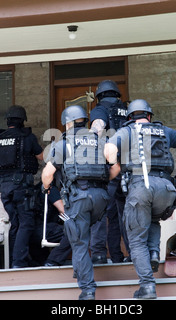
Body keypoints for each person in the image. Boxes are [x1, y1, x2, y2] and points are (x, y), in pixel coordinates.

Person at [104, 99, 176, 299]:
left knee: (136, 241)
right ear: (149, 116)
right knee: (153, 219)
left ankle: (147, 286)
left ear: (130, 117)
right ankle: (154, 253)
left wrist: (115, 165)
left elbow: (110, 150)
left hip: (141, 187)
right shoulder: (162, 130)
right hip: (166, 188)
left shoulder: (126, 131)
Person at [41, 105, 110, 300]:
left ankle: (87, 289)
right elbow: (115, 168)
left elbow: (47, 174)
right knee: (85, 231)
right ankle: (82, 267)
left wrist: (47, 187)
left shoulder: (64, 143)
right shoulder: (100, 140)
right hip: (102, 198)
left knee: (79, 243)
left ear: (68, 123)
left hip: (79, 198)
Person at [0, 105, 43, 268]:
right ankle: (19, 263)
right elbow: (41, 156)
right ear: (22, 120)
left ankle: (15, 260)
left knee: (15, 224)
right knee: (27, 223)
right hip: (22, 187)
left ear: (8, 121)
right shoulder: (27, 137)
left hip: (5, 188)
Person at [89, 79, 129, 264]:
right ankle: (122, 254)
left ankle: (98, 254)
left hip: (108, 170)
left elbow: (96, 129)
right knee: (125, 214)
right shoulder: (127, 110)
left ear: (99, 96)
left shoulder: (100, 109)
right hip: (128, 169)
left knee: (101, 212)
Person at [28, 182, 65, 266]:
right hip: (45, 231)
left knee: (41, 263)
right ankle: (52, 261)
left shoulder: (34, 189)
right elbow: (63, 211)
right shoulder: (51, 189)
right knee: (74, 232)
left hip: (29, 233)